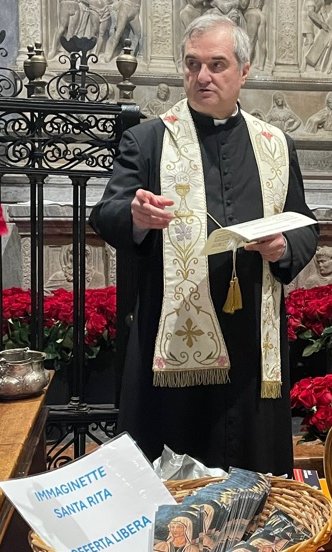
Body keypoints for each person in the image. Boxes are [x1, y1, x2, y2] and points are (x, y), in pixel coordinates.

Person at [89, 14, 319, 476]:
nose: (202, 76)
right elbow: (107, 212)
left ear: (244, 70)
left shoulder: (276, 144)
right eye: (193, 65)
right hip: (173, 335)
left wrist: (283, 247)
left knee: (253, 472)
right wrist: (135, 216)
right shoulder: (150, 139)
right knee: (175, 461)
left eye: (217, 64)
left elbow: (304, 224)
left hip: (254, 332)